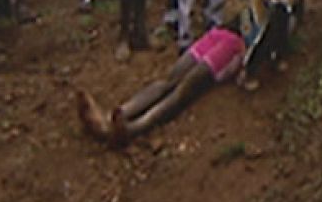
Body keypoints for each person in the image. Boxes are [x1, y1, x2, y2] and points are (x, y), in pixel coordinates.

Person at [75, 23, 246, 146]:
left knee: (182, 90)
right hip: (222, 32)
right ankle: (111, 119)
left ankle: (131, 128)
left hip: (236, 42)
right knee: (170, 82)